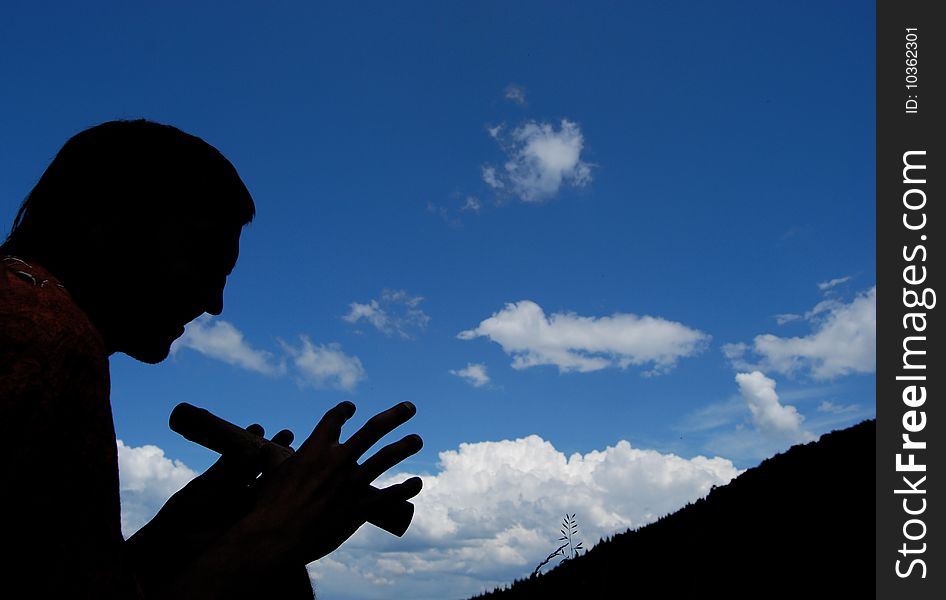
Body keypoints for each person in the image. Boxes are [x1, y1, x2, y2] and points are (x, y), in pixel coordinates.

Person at [0, 119, 423, 598]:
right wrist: (273, 534)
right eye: (202, 258)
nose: (215, 302)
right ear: (102, 221)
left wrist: (170, 535)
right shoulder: (44, 333)